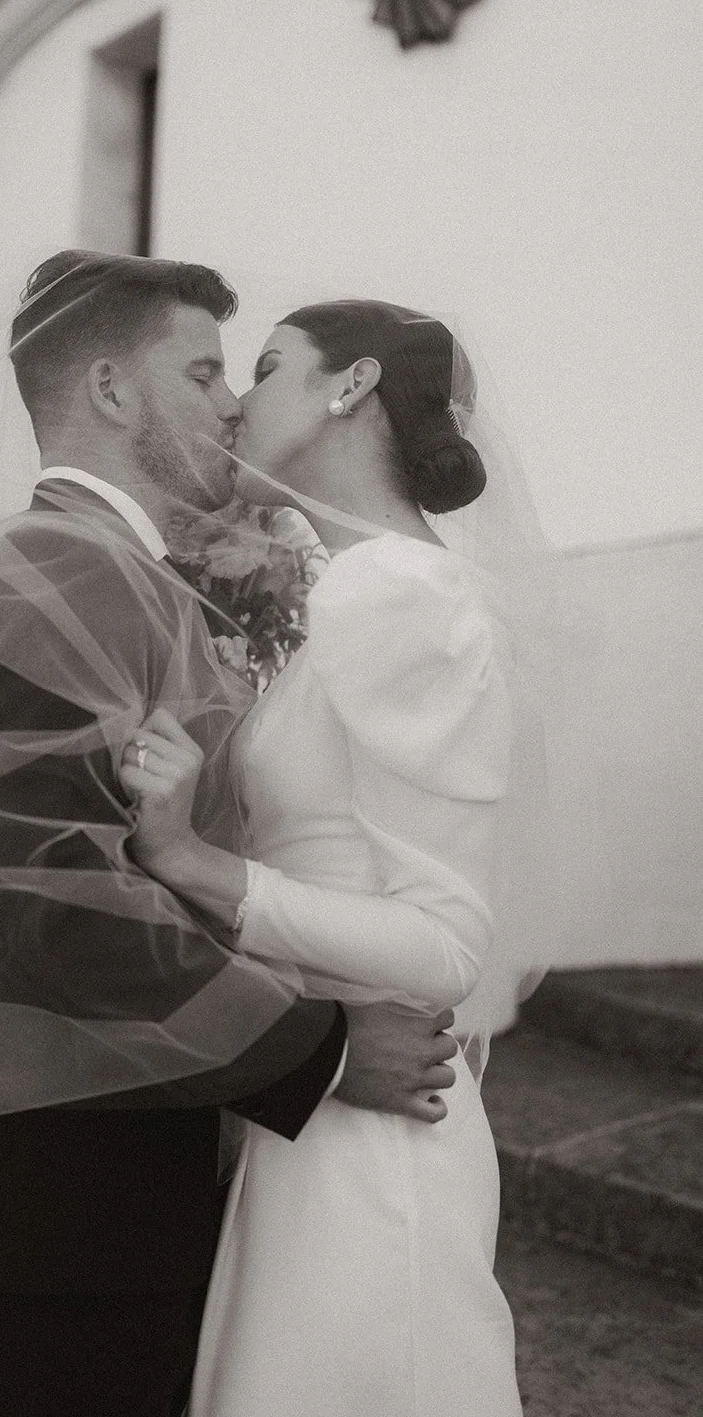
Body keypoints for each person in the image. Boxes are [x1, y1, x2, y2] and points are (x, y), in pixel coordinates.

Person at [0, 257, 459, 1417]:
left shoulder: (120, 573)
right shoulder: (44, 568)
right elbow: (46, 899)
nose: (231, 405)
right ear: (108, 388)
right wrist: (324, 1050)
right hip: (65, 1194)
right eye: (200, 372)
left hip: (114, 1183)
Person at [120, 299, 525, 1415]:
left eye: (264, 368)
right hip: (318, 1112)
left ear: (348, 388)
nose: (236, 402)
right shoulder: (343, 589)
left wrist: (192, 862)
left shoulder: (403, 593)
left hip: (374, 1152)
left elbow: (442, 945)